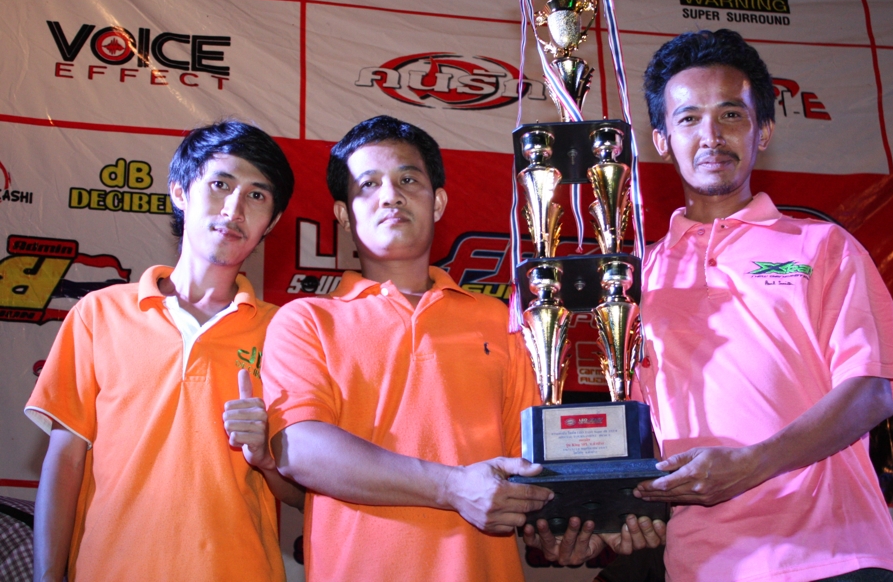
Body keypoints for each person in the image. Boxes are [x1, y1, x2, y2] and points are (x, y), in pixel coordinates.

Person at [630, 29, 893, 582]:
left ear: (762, 131)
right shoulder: (635, 280)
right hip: (704, 568)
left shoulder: (822, 245)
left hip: (838, 555)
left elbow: (870, 393)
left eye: (731, 115)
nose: (711, 136)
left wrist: (752, 465)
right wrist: (613, 513)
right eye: (689, 118)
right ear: (662, 140)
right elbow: (634, 433)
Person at [260, 115, 548, 582]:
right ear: (343, 215)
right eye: (368, 185)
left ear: (438, 202)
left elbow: (529, 468)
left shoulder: (503, 321)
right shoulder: (306, 321)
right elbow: (301, 449)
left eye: (408, 180)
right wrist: (452, 487)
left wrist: (576, 527)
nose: (390, 195)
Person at [26, 120, 303, 582]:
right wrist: (47, 576)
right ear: (180, 192)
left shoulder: (286, 332)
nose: (234, 209)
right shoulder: (99, 313)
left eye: (257, 195)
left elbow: (304, 497)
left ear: (271, 222)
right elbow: (65, 460)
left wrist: (267, 457)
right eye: (220, 185)